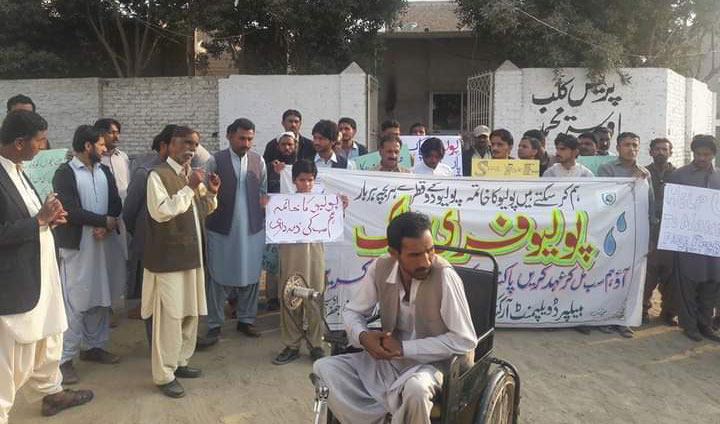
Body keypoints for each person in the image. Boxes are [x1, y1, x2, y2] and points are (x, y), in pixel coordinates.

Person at [313, 211, 477, 424]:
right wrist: (363, 336)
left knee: (416, 390)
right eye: (415, 255)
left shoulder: (445, 277)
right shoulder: (381, 267)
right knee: (324, 368)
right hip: (390, 361)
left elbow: (464, 340)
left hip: (434, 363)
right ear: (394, 253)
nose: (426, 261)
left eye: (430, 251)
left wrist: (404, 349)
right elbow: (353, 311)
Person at [0, 110, 93, 422]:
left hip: (41, 277)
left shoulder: (18, 168)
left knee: (49, 339)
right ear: (18, 143)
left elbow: (26, 218)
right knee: (10, 360)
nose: (43, 146)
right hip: (15, 284)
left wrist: (48, 221)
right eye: (39, 141)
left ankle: (52, 394)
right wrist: (37, 221)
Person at [142, 125, 219, 398]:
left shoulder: (191, 175)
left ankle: (180, 363)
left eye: (195, 144)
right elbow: (161, 212)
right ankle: (164, 375)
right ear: (169, 145)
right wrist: (189, 188)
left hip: (193, 258)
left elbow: (201, 212)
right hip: (169, 260)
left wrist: (210, 193)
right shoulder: (157, 175)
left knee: (190, 314)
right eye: (186, 143)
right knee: (170, 319)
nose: (191, 148)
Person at [52, 125, 125, 384]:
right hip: (79, 247)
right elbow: (69, 209)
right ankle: (64, 359)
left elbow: (116, 203)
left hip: (103, 245)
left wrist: (107, 224)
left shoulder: (104, 170)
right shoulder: (65, 173)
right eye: (102, 145)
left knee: (101, 298)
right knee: (77, 301)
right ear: (87, 146)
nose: (105, 149)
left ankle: (94, 348)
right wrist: (102, 221)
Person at [273, 159, 349, 365]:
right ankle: (292, 345)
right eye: (301, 180)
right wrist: (267, 208)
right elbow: (274, 225)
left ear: (315, 181)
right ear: (294, 181)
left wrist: (341, 209)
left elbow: (333, 226)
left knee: (315, 300)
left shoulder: (322, 203)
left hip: (314, 255)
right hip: (290, 256)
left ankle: (316, 345)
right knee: (290, 299)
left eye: (310, 180)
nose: (306, 184)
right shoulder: (283, 203)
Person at [204, 118, 267, 342]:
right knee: (217, 276)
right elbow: (205, 194)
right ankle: (214, 324)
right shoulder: (215, 161)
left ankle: (246, 320)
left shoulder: (258, 162)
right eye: (242, 138)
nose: (246, 143)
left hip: (252, 230)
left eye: (250, 139)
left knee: (250, 277)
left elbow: (263, 193)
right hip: (221, 229)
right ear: (229, 136)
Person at [597, 132, 656, 339]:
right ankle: (604, 318)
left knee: (632, 278)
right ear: (618, 147)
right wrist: (633, 181)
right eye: (627, 145)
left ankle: (624, 320)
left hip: (636, 233)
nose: (631, 149)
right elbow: (604, 196)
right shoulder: (607, 169)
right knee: (608, 275)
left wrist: (651, 235)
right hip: (611, 231)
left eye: (635, 145)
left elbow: (651, 204)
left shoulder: (644, 173)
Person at [668, 135, 720, 342]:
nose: (701, 158)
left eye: (706, 154)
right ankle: (689, 326)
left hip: (714, 242)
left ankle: (705, 324)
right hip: (687, 241)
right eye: (698, 154)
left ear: (713, 155)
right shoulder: (679, 175)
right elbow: (670, 207)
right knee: (687, 285)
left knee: (711, 283)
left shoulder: (718, 178)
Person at [123, 125, 174, 332]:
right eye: (180, 145)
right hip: (150, 248)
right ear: (164, 146)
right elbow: (129, 213)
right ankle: (156, 346)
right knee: (152, 299)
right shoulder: (145, 173)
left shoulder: (180, 174)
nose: (188, 151)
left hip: (174, 248)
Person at [644, 138, 676, 325]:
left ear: (670, 152)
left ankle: (668, 312)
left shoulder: (679, 174)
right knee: (649, 275)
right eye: (657, 149)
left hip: (672, 233)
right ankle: (642, 310)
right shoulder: (642, 173)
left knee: (670, 275)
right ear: (651, 152)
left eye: (664, 149)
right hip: (650, 230)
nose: (660, 152)